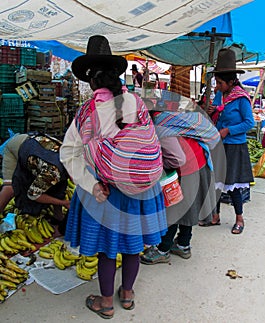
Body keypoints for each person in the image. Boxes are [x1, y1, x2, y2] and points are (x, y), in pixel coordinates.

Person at [59, 35, 168, 319]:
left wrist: (91, 184)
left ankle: (106, 302)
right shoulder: (136, 102)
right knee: (132, 245)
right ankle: (128, 295)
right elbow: (148, 140)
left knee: (108, 249)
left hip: (104, 191)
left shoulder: (86, 112)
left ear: (91, 80)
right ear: (116, 75)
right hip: (139, 189)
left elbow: (68, 154)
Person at [140, 99, 219, 264]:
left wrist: (158, 165)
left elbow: (177, 159)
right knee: (188, 208)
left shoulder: (160, 128)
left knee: (174, 211)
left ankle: (163, 250)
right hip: (199, 163)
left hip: (189, 168)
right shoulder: (169, 117)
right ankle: (183, 245)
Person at [199, 48, 255, 234]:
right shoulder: (220, 95)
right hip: (218, 145)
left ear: (231, 82)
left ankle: (240, 218)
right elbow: (218, 112)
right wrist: (211, 113)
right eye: (217, 82)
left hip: (234, 146)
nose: (218, 86)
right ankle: (215, 216)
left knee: (231, 184)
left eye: (221, 83)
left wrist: (228, 130)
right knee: (215, 182)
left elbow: (249, 122)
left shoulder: (241, 99)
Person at [0, 133, 70, 221]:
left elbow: (59, 188)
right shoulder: (53, 171)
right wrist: (63, 203)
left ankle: (58, 219)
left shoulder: (69, 159)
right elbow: (34, 195)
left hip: (36, 145)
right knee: (10, 188)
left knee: (59, 185)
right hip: (17, 146)